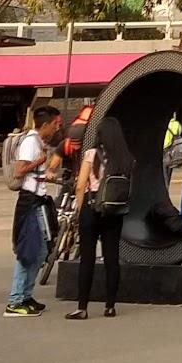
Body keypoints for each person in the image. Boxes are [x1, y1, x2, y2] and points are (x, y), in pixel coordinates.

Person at [68, 120, 134, 319]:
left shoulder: (91, 154)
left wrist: (79, 212)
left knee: (87, 259)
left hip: (91, 207)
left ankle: (82, 307)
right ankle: (110, 306)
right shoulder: (127, 158)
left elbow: (80, 186)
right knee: (112, 258)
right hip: (114, 210)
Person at [5, 105, 64, 316]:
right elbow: (20, 170)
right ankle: (15, 300)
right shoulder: (30, 142)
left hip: (37, 201)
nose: (57, 129)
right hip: (29, 202)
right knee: (28, 251)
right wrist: (39, 162)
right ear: (45, 124)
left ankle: (26, 296)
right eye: (56, 124)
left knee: (39, 251)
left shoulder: (38, 142)